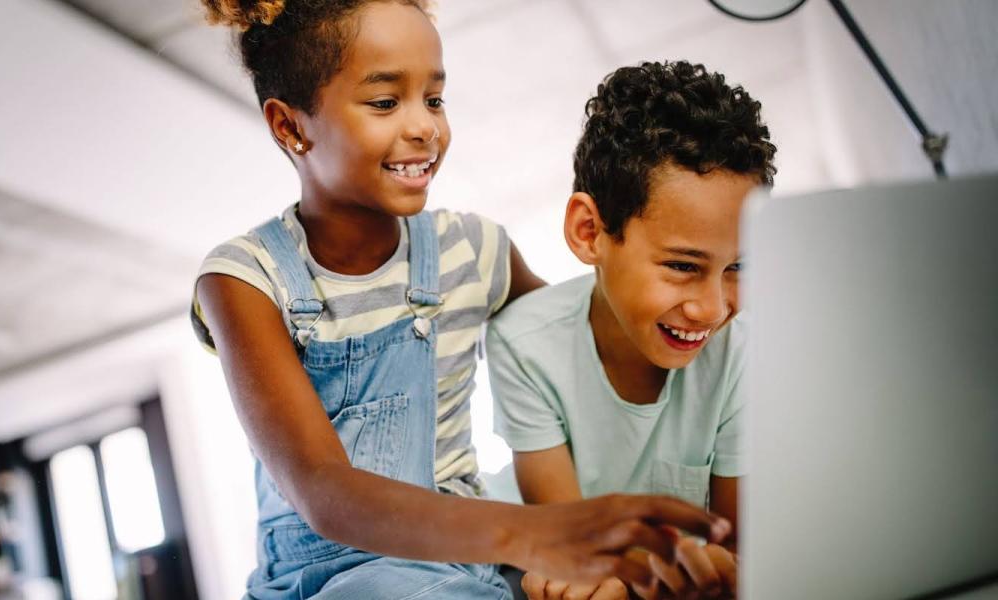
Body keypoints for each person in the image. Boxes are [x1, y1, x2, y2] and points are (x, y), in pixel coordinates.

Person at [192, 2, 731, 597]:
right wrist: (532, 533)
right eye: (384, 101)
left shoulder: (473, 251)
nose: (425, 126)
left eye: (435, 98)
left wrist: (686, 280)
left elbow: (578, 340)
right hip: (336, 581)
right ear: (291, 126)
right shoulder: (245, 280)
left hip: (473, 569)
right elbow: (325, 493)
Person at [486, 60, 777, 600]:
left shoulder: (743, 355)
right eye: (683, 266)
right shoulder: (523, 344)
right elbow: (572, 546)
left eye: (738, 267)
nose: (712, 309)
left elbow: (739, 552)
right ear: (589, 231)